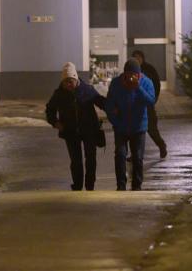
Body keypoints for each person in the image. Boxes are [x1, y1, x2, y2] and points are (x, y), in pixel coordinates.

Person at [45, 62, 106, 191]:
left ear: (76, 79)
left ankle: (90, 186)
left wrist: (113, 108)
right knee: (76, 160)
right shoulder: (59, 94)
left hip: (89, 129)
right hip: (70, 131)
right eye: (65, 82)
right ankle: (77, 186)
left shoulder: (87, 90)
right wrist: (55, 122)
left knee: (90, 157)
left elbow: (100, 102)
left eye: (70, 81)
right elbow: (50, 109)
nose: (68, 85)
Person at [104, 59, 155, 190]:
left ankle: (137, 185)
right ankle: (121, 185)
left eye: (135, 75)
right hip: (121, 127)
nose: (132, 78)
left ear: (140, 75)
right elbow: (109, 105)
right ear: (124, 74)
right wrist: (115, 121)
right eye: (129, 75)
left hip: (139, 127)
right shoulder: (116, 84)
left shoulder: (146, 83)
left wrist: (138, 88)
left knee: (138, 157)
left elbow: (151, 101)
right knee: (120, 154)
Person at [131, 49, 168, 158]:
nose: (137, 60)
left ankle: (161, 145)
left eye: (139, 57)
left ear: (142, 58)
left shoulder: (149, 69)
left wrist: (154, 97)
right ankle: (135, 154)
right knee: (135, 132)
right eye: (135, 58)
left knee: (151, 129)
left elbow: (156, 84)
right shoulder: (131, 70)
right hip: (135, 106)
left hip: (147, 104)